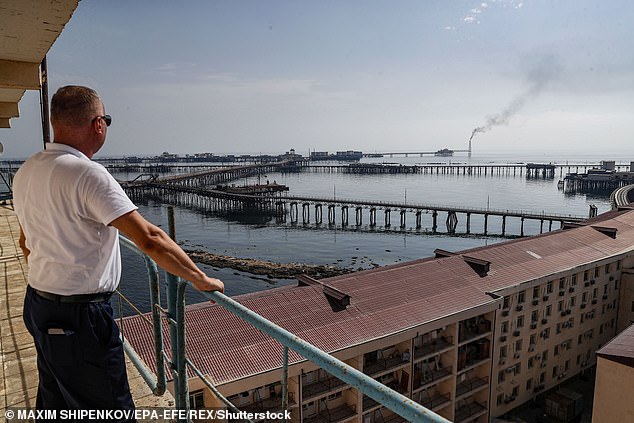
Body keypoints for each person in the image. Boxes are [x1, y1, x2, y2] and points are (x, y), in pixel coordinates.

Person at [12, 85, 224, 417]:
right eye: (107, 120)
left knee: (56, 401)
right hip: (81, 318)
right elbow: (150, 239)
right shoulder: (88, 174)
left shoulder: (27, 170)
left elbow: (26, 242)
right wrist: (199, 278)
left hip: (39, 304)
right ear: (98, 124)